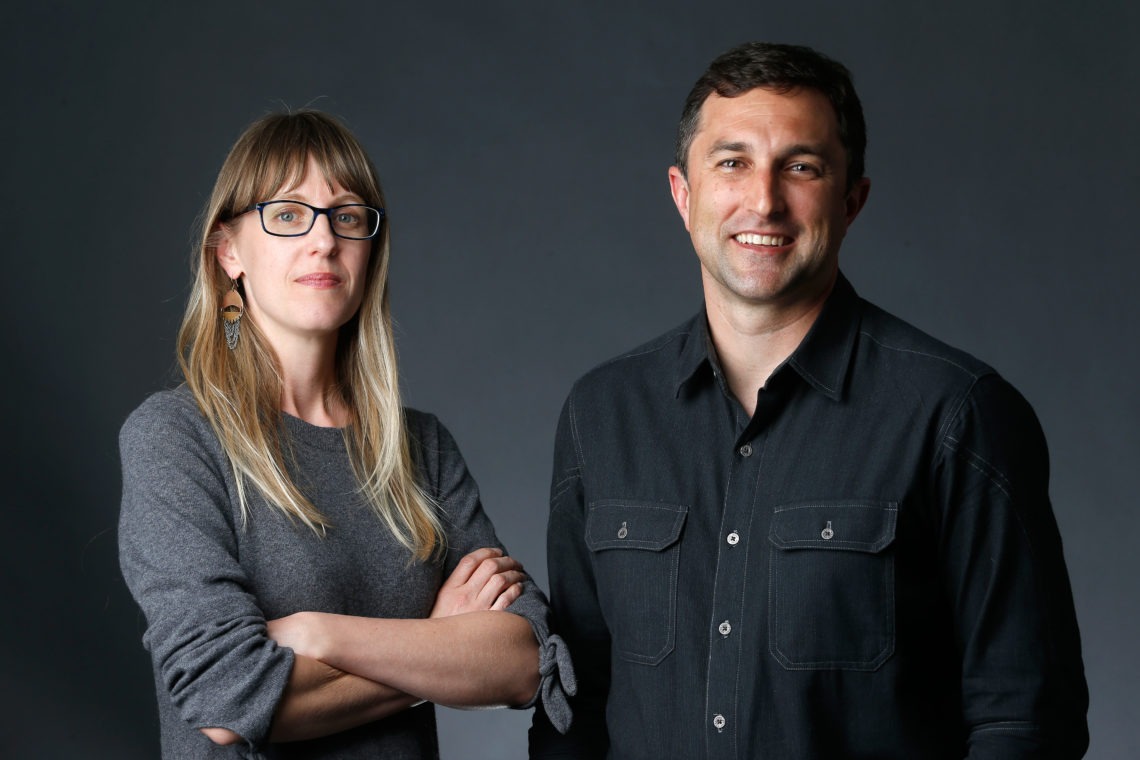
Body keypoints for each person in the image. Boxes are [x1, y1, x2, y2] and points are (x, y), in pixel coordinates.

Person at [529, 42, 1087, 759]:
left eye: (801, 166)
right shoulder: (601, 415)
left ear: (852, 200)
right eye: (731, 162)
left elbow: (1027, 720)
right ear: (683, 194)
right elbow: (577, 705)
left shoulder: (958, 416)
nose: (763, 199)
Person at [119, 110, 572, 758]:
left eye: (348, 216)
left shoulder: (422, 451)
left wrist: (318, 634)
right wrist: (435, 641)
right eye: (287, 214)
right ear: (228, 252)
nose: (324, 241)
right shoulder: (175, 440)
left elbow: (528, 661)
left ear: (370, 248)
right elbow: (223, 698)